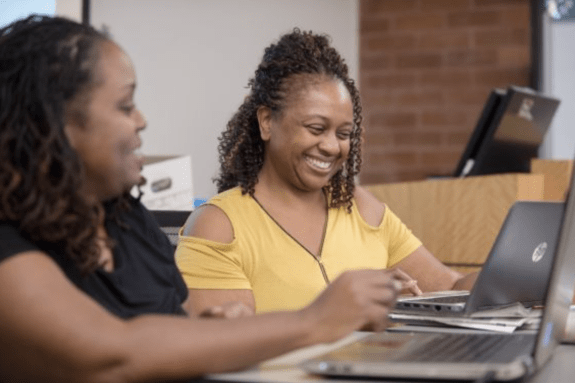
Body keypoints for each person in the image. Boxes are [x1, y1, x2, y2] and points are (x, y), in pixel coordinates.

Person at [0, 16, 406, 382]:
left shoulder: (124, 218)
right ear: (56, 124)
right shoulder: (8, 252)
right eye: (125, 105)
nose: (141, 120)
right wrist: (314, 321)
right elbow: (113, 355)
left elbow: (171, 320)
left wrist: (212, 322)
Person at [176, 29, 477, 315]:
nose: (333, 147)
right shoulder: (218, 225)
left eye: (344, 134)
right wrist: (341, 306)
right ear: (267, 121)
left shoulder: (359, 207)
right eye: (316, 129)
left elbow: (452, 287)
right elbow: (224, 346)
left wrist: (515, 274)